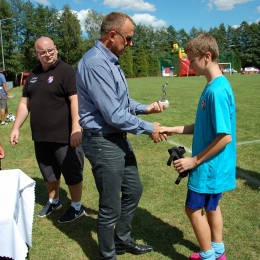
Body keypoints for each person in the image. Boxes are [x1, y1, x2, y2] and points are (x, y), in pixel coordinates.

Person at [76, 12, 166, 260]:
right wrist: (150, 128)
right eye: (128, 38)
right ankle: (108, 255)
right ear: (112, 35)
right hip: (102, 141)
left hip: (116, 139)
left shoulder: (110, 60)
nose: (131, 43)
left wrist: (145, 107)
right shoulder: (95, 63)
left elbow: (122, 101)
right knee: (110, 207)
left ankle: (122, 240)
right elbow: (114, 114)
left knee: (134, 190)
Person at [160, 34, 236, 260]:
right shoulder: (213, 85)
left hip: (209, 167)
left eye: (192, 60)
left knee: (193, 208)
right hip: (214, 166)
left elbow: (225, 137)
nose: (189, 64)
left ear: (207, 56)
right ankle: (219, 251)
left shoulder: (217, 91)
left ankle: (208, 256)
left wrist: (194, 161)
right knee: (212, 207)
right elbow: (204, 126)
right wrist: (173, 129)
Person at [10, 36, 85, 223]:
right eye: (42, 52)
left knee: (72, 171)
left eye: (50, 50)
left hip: (64, 136)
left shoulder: (66, 71)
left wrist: (76, 127)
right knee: (48, 172)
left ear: (56, 49)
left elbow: (75, 100)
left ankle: (77, 206)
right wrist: (15, 127)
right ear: (36, 54)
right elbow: (24, 103)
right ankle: (54, 201)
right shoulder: (33, 76)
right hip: (41, 136)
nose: (47, 55)